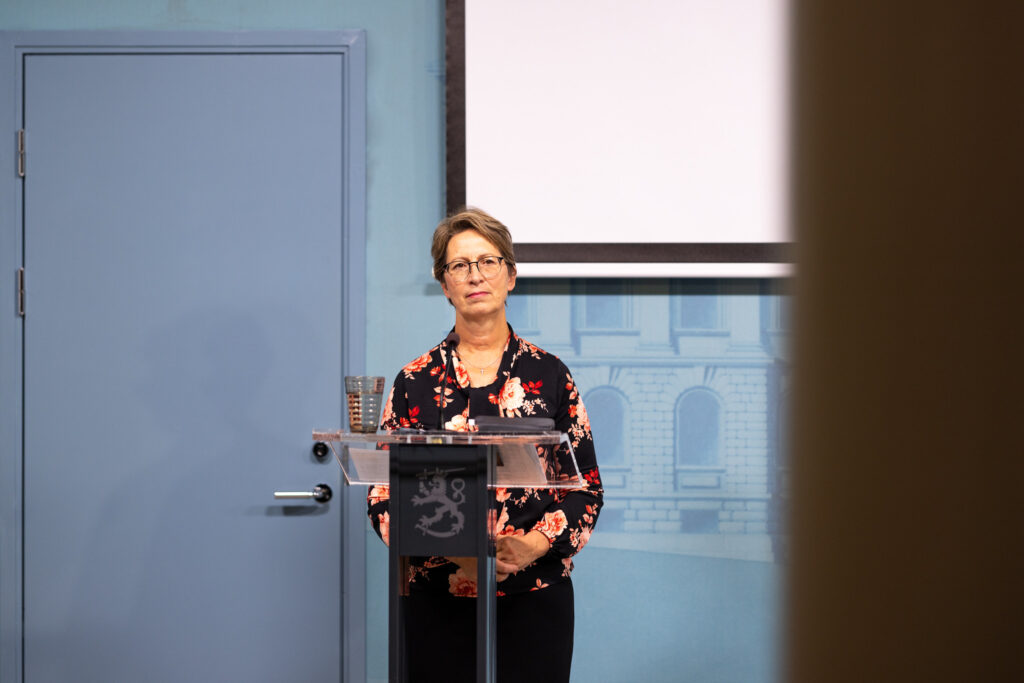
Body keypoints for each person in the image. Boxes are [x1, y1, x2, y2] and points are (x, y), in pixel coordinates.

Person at [367, 207, 603, 682]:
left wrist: (533, 545)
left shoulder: (550, 375)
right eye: (459, 265)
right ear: (444, 284)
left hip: (535, 592)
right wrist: (461, 551)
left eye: (487, 262)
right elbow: (382, 495)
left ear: (510, 276)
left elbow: (586, 489)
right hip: (437, 594)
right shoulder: (413, 381)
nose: (475, 275)